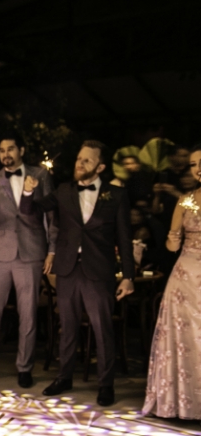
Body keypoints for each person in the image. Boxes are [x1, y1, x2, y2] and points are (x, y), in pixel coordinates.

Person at [20, 140, 135, 406]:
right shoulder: (63, 190)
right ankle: (64, 377)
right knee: (68, 327)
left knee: (102, 329)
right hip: (68, 268)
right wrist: (27, 192)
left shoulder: (116, 195)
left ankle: (106, 384)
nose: (80, 164)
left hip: (99, 270)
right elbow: (30, 211)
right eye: (78, 159)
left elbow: (124, 238)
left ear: (100, 167)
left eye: (87, 160)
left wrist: (128, 276)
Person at [0, 134, 57, 388]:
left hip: (31, 251)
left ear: (21, 150)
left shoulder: (40, 174)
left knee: (28, 312)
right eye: (1, 150)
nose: (5, 154)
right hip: (0, 253)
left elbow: (51, 215)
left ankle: (24, 367)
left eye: (10, 149)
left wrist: (52, 250)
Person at [144, 145, 201, 418]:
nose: (198, 169)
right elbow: (171, 246)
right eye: (193, 164)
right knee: (184, 340)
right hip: (184, 280)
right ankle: (181, 404)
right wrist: (173, 235)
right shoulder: (185, 200)